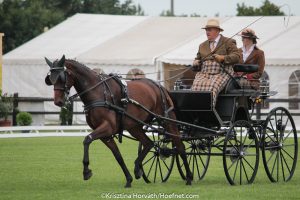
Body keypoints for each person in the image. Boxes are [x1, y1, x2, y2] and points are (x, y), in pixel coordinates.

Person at [192, 19, 240, 106]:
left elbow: (237, 57)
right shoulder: (202, 45)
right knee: (195, 88)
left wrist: (223, 58)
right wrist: (195, 63)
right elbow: (198, 60)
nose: (207, 32)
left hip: (222, 72)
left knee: (212, 88)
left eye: (209, 30)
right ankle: (196, 112)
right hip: (204, 73)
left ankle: (208, 112)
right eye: (206, 30)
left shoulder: (228, 42)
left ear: (217, 31)